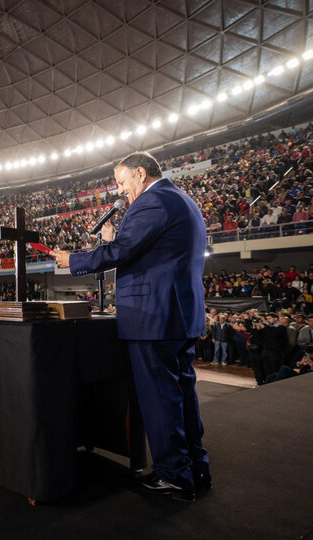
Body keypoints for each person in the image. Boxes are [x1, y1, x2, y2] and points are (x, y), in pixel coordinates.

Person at [52, 151, 211, 502]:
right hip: (177, 315)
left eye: (123, 182)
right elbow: (148, 253)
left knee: (161, 398)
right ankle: (195, 469)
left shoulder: (153, 202)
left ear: (140, 173)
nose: (122, 191)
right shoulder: (180, 199)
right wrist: (114, 241)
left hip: (154, 316)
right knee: (183, 394)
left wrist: (73, 260)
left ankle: (174, 477)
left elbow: (122, 254)